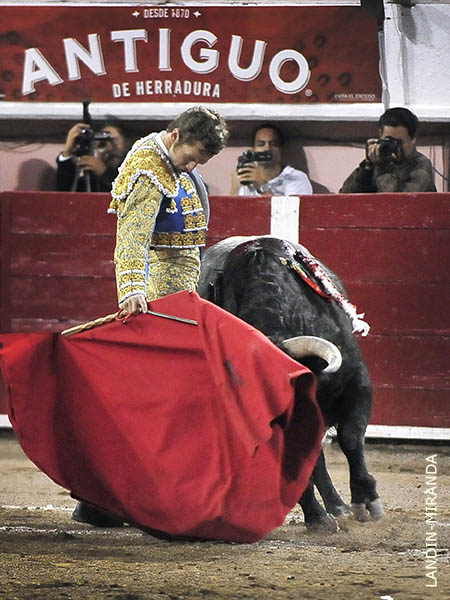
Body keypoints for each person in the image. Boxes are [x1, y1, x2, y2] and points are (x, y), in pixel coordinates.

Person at [71, 106, 229, 527]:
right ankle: (120, 496)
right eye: (191, 157)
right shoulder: (148, 170)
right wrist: (133, 290)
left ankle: (113, 498)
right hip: (158, 295)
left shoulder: (171, 163)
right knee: (161, 399)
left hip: (180, 291)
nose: (192, 167)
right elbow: (132, 239)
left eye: (200, 162)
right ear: (175, 136)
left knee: (166, 399)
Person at [340, 107, 436, 193]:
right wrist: (367, 167)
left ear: (413, 138)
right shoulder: (378, 160)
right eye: (389, 140)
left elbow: (397, 202)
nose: (395, 147)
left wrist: (383, 167)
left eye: (399, 142)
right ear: (381, 134)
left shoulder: (421, 165)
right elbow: (344, 196)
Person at [231, 123, 312, 196]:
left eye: (273, 144)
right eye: (261, 144)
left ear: (281, 149)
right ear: (253, 150)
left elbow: (292, 208)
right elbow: (232, 207)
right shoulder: (246, 175)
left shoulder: (296, 177)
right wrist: (235, 189)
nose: (267, 148)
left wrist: (261, 186)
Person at [56, 120, 129, 192]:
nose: (109, 148)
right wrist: (68, 152)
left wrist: (105, 172)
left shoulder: (132, 170)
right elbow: (64, 193)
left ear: (126, 143)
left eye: (113, 141)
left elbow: (126, 191)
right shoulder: (91, 178)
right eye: (103, 144)